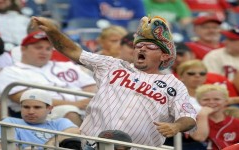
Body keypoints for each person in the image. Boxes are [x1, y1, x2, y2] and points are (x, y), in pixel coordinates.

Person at [32, 15, 197, 148]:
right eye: (139, 45)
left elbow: (189, 118)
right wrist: (53, 31)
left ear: (164, 56)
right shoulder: (111, 65)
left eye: (150, 46)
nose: (142, 48)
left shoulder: (175, 86)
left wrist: (176, 127)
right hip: (90, 144)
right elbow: (72, 50)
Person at [0, 31, 96, 126]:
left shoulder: (65, 66)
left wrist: (88, 102)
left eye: (48, 49)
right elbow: (22, 99)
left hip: (84, 108)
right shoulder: (10, 72)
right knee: (69, 111)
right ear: (23, 49)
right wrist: (75, 104)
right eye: (38, 47)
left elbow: (92, 87)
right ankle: (80, 144)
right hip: (44, 114)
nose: (44, 52)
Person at [0, 89, 80, 149]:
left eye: (37, 107)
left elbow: (75, 131)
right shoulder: (10, 122)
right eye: (26, 107)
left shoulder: (59, 123)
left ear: (49, 109)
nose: (31, 111)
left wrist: (49, 144)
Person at [190, 84, 239, 150]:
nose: (211, 102)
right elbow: (200, 137)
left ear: (226, 101)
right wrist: (203, 114)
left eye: (216, 99)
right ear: (198, 102)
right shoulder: (193, 120)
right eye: (206, 99)